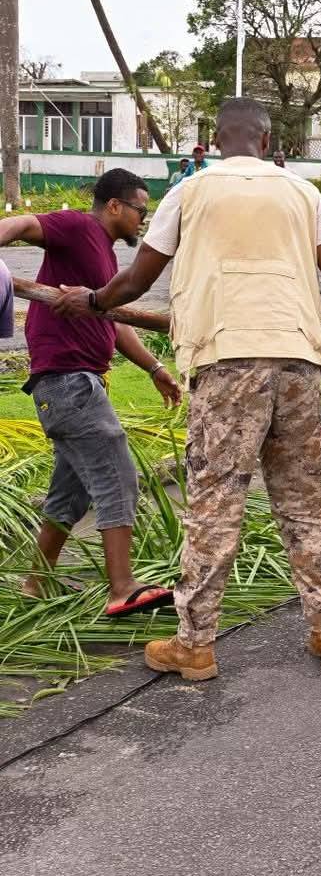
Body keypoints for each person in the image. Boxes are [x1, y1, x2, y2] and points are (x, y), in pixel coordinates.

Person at [55, 99, 321, 682]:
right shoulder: (303, 193)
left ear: (216, 139)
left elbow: (138, 278)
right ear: (267, 140)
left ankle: (195, 645)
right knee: (305, 501)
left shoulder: (190, 191)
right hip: (301, 362)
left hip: (228, 362)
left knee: (215, 502)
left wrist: (93, 301)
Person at [0, 169, 181, 614]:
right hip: (69, 382)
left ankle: (36, 584)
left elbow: (112, 321)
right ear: (114, 206)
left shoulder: (102, 256)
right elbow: (22, 224)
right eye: (140, 209)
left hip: (75, 383)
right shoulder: (80, 227)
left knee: (72, 493)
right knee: (117, 473)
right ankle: (122, 587)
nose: (143, 219)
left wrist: (155, 367)